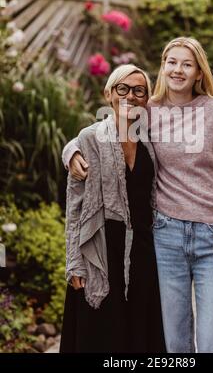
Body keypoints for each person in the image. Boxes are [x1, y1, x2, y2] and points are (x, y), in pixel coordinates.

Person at [63, 37, 213, 353]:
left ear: (199, 72)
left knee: (212, 340)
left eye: (187, 64)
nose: (178, 70)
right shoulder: (148, 109)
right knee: (174, 341)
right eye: (172, 62)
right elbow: (99, 132)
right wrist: (70, 151)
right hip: (166, 237)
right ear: (163, 67)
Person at [59, 64, 166, 353]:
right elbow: (74, 209)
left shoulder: (150, 139)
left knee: (141, 334)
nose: (130, 95)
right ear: (109, 93)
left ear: (146, 98)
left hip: (144, 250)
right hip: (102, 249)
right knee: (104, 334)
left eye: (139, 90)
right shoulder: (89, 139)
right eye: (123, 88)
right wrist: (74, 263)